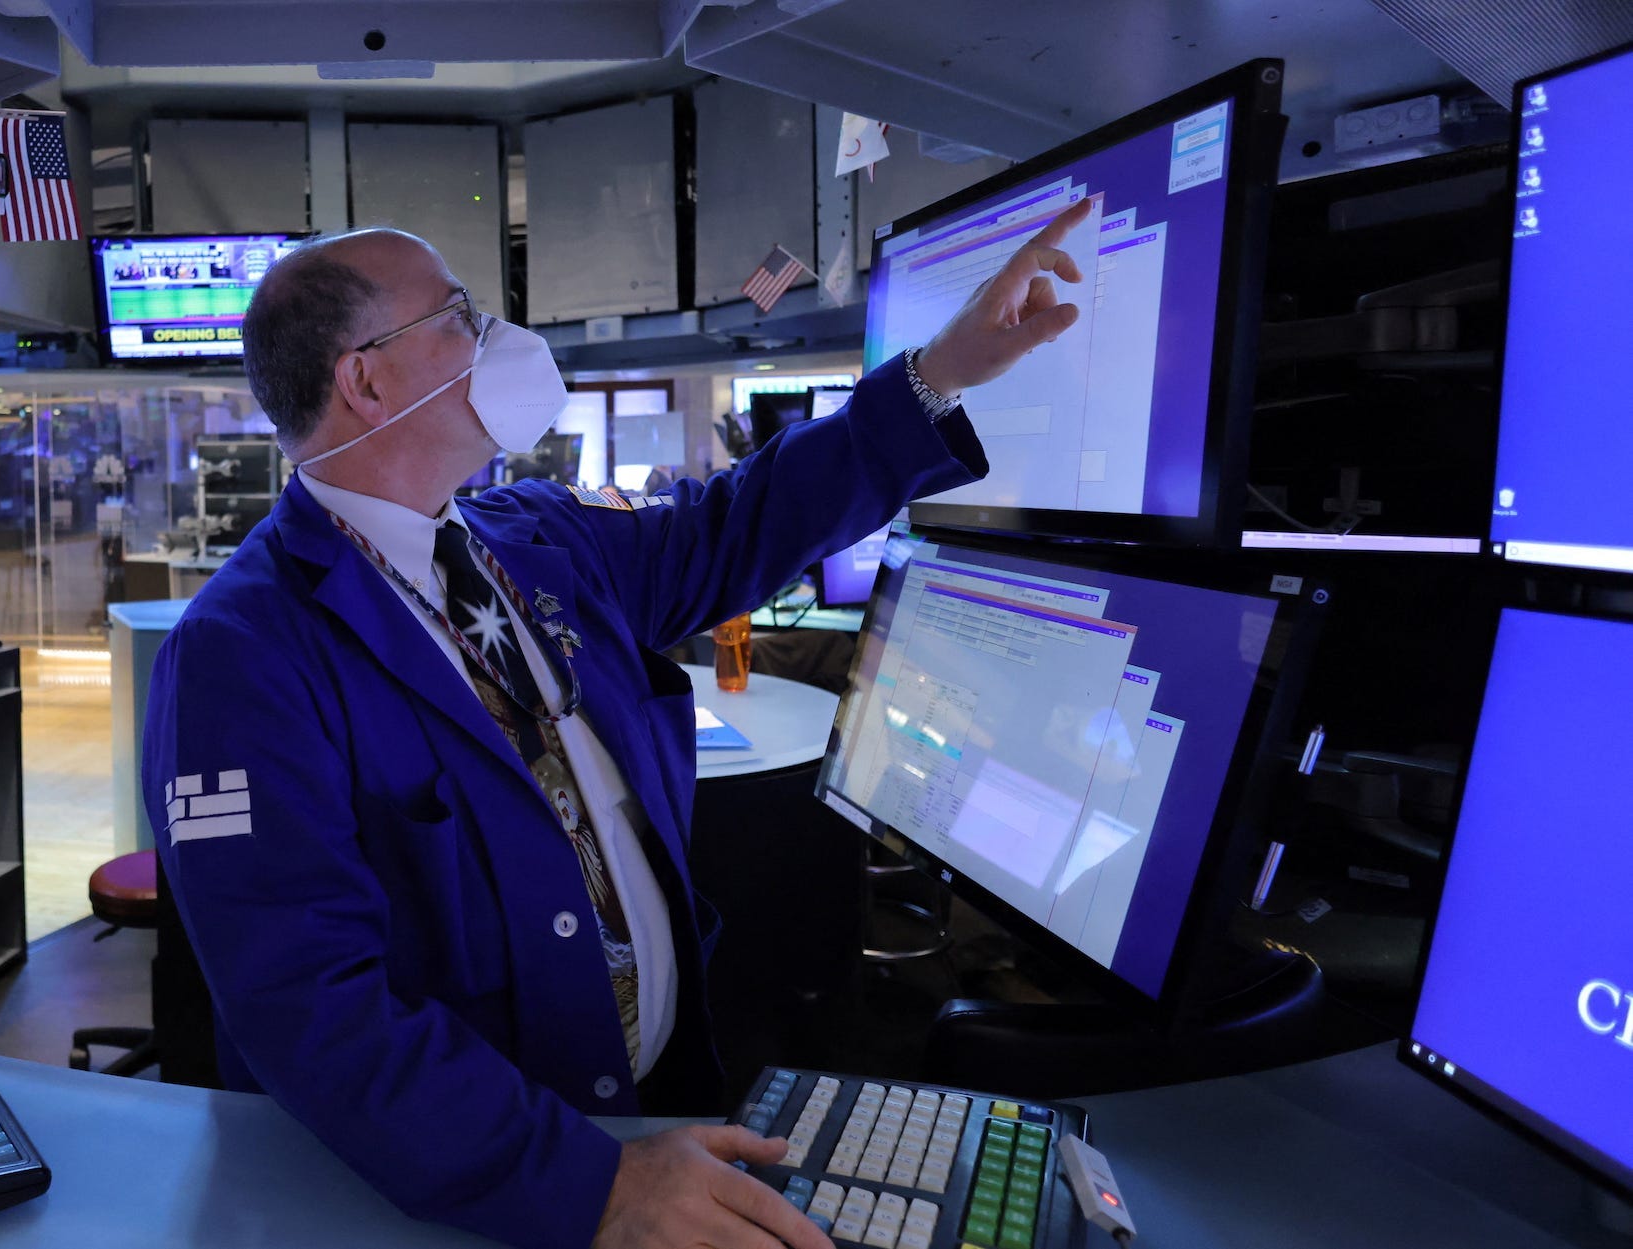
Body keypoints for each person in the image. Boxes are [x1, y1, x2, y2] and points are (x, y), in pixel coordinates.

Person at [143, 205, 1093, 1249]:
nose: (495, 333)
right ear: (364, 378)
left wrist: (936, 375)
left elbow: (741, 522)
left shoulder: (537, 536)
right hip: (499, 1186)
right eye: (458, 313)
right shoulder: (243, 652)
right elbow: (311, 1010)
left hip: (657, 1115)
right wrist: (586, 1183)